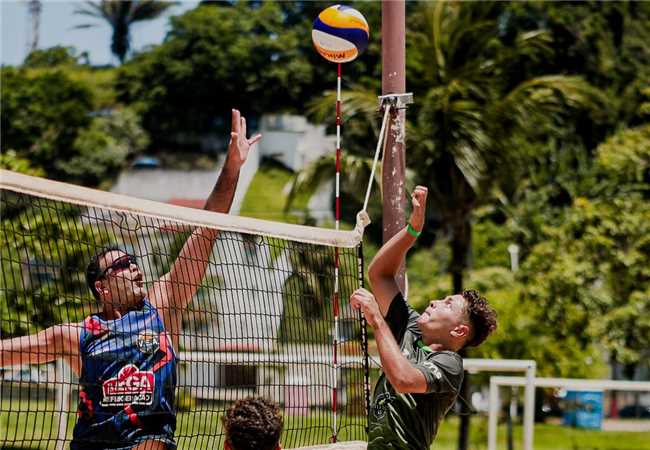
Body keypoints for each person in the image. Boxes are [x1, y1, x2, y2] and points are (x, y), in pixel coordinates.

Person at [0, 109, 261, 450]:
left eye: (134, 262)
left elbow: (206, 229)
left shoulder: (162, 307)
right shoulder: (77, 336)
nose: (135, 267)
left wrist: (232, 166)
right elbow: (6, 352)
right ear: (102, 287)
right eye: (122, 264)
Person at [350, 185, 498, 450]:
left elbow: (404, 379)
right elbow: (379, 274)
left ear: (458, 331)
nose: (435, 301)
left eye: (447, 304)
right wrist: (413, 229)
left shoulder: (450, 364)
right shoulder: (409, 327)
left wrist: (378, 320)